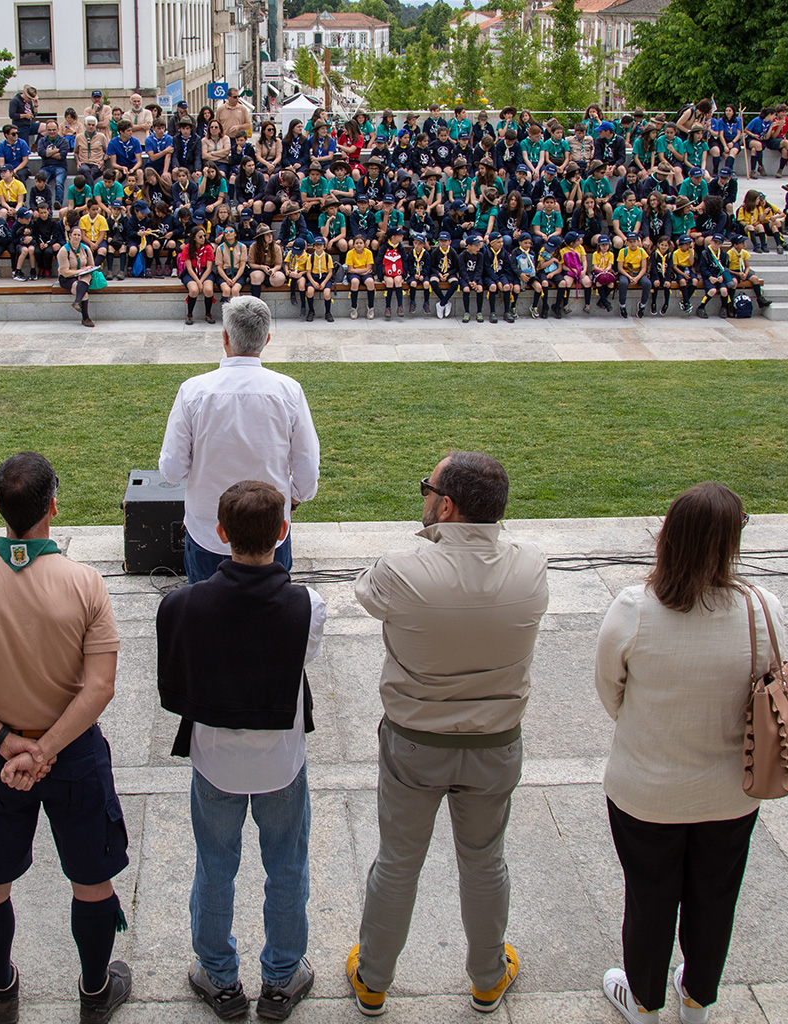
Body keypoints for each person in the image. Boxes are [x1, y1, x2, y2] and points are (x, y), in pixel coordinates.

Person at [0, 451, 132, 1024]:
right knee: (91, 879)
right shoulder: (84, 582)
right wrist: (46, 749)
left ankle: (0, 983)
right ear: (53, 507)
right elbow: (99, 688)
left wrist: (4, 742)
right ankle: (94, 989)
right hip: (73, 752)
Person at [348, 452, 549, 1018]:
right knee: (485, 861)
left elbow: (366, 594)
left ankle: (373, 980)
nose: (422, 497)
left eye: (426, 489)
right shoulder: (533, 566)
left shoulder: (405, 567)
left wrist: (426, 537)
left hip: (415, 741)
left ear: (447, 505)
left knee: (397, 862)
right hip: (495, 745)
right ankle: (488, 978)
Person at [593, 482, 780, 1024]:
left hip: (646, 788)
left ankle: (645, 999)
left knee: (649, 897)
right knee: (716, 896)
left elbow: (610, 690)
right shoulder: (762, 608)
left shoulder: (636, 608)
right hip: (731, 790)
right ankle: (697, 997)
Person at [157, 479, 323, 1023]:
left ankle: (219, 977)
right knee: (287, 867)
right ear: (282, 531)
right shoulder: (308, 605)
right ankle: (280, 977)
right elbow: (303, 662)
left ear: (221, 532)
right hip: (281, 759)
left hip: (214, 761)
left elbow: (175, 681)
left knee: (214, 867)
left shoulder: (183, 604)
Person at [158, 297, 320, 583]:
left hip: (209, 531)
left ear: (225, 337)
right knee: (271, 616)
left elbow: (172, 470)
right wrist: (294, 496)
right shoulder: (289, 391)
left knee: (209, 617)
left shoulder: (194, 391)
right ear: (267, 339)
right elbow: (307, 467)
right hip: (269, 531)